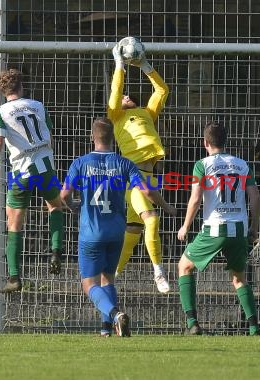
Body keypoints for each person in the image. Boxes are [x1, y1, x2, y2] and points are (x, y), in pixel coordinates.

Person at [60, 117, 177, 337]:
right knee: (108, 279)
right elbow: (147, 191)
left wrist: (72, 206)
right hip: (116, 232)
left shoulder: (81, 163)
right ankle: (106, 331)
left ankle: (114, 315)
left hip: (91, 233)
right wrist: (166, 206)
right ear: (113, 138)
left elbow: (64, 194)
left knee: (89, 284)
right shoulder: (124, 163)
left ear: (92, 137)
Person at [0, 69, 65, 293]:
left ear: (2, 91)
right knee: (55, 206)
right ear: (21, 86)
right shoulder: (38, 105)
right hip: (45, 167)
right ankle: (56, 251)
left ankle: (14, 277)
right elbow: (49, 133)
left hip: (21, 171)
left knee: (14, 222)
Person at [177, 122, 260, 336]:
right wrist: (254, 227)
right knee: (239, 278)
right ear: (225, 141)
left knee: (184, 266)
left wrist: (185, 226)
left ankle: (192, 323)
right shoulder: (242, 164)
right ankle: (253, 328)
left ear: (205, 143)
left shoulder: (202, 165)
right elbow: (255, 196)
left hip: (215, 227)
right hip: (239, 229)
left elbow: (195, 199)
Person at [108, 42, 171, 293]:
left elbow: (162, 90)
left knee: (133, 231)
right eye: (123, 97)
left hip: (149, 175)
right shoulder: (116, 116)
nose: (125, 96)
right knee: (152, 220)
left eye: (127, 95)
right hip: (132, 175)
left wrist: (145, 66)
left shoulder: (147, 113)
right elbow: (116, 90)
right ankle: (158, 272)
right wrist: (120, 65)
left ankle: (112, 274)